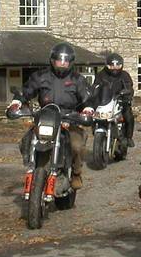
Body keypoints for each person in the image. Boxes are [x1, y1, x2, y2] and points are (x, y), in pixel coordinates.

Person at [7, 42, 94, 189]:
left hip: (68, 119)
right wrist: (17, 102)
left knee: (76, 146)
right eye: (58, 60)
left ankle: (76, 173)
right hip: (45, 118)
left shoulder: (77, 79)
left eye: (65, 60)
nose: (62, 63)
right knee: (25, 141)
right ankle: (32, 165)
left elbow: (87, 98)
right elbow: (26, 91)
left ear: (70, 62)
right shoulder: (41, 76)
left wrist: (88, 109)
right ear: (52, 60)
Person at [91, 53, 135, 147]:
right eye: (112, 66)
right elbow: (96, 86)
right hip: (104, 101)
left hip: (120, 100)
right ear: (107, 65)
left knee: (129, 116)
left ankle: (128, 137)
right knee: (94, 115)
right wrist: (93, 94)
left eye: (117, 65)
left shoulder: (124, 75)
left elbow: (129, 87)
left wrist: (126, 94)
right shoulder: (101, 75)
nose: (114, 68)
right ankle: (95, 129)